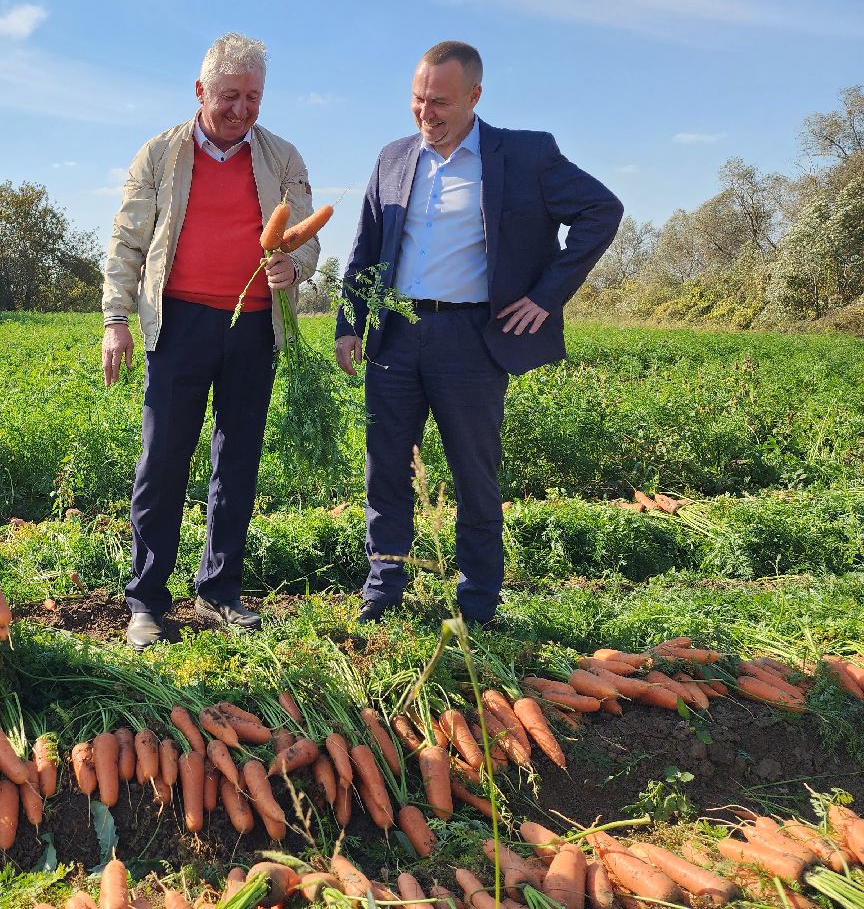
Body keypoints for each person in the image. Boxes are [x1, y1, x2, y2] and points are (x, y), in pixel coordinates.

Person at [336, 41, 621, 628]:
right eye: (417, 99)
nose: (426, 114)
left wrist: (546, 296)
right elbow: (364, 247)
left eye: (440, 102)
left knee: (473, 471)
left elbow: (602, 210)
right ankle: (384, 587)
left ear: (475, 97)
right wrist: (350, 323)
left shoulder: (524, 154)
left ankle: (478, 603)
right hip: (396, 336)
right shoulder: (392, 158)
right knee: (386, 467)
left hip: (470, 339)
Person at [102, 32, 320, 650]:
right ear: (200, 91)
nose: (242, 109)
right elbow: (127, 242)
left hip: (254, 326)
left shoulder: (282, 158)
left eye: (253, 97)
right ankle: (147, 599)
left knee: (238, 462)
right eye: (230, 95)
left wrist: (295, 265)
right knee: (162, 461)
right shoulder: (160, 155)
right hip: (178, 325)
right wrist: (115, 319)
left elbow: (306, 236)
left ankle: (219, 590)